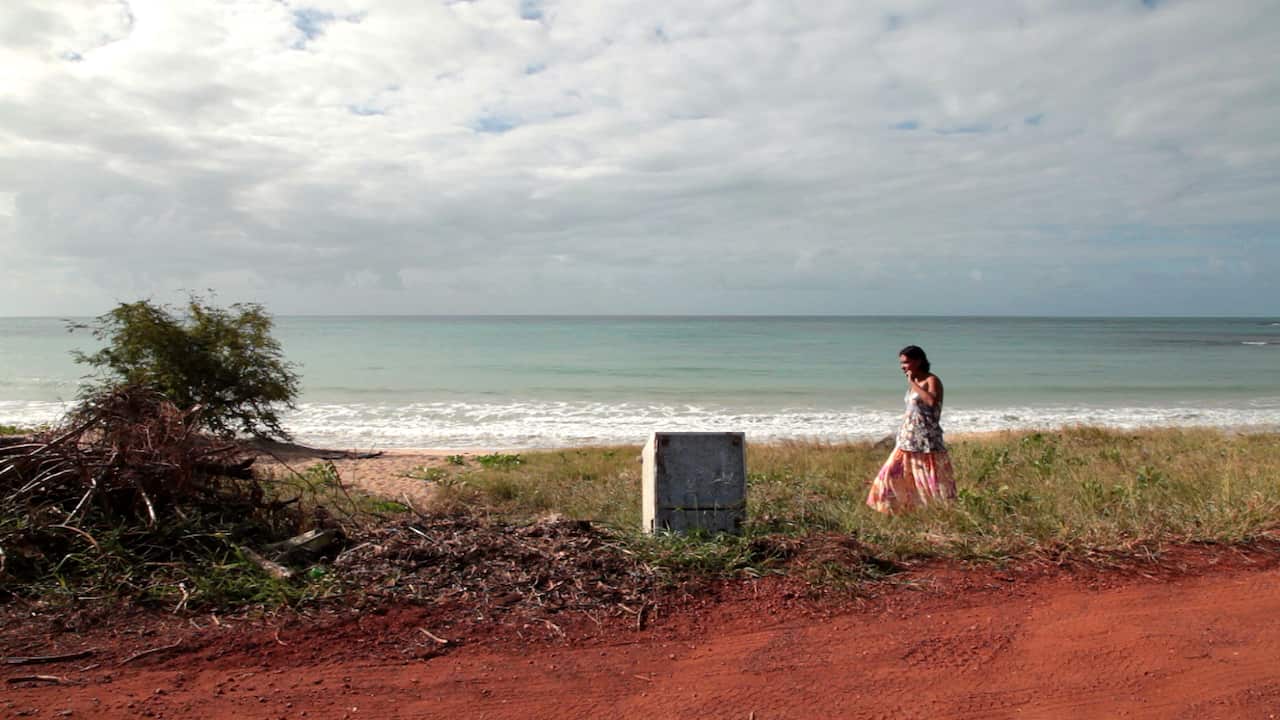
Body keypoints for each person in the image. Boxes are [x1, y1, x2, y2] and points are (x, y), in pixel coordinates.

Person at [866, 345, 956, 513]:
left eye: (906, 362)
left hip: (926, 440)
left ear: (918, 361)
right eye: (901, 363)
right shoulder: (915, 383)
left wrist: (912, 383)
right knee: (891, 474)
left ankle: (938, 511)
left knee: (930, 480)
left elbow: (931, 402)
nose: (903, 367)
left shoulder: (931, 380)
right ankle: (893, 509)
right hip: (907, 439)